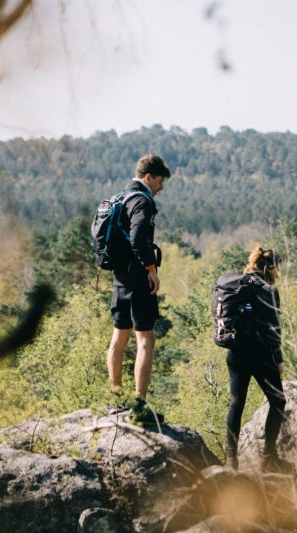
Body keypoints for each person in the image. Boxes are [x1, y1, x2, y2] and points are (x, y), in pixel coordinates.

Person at [105, 154, 170, 425]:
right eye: (160, 181)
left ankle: (115, 400)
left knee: (118, 339)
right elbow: (139, 238)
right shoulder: (142, 201)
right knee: (146, 340)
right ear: (148, 177)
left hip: (119, 278)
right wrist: (151, 270)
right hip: (138, 279)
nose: (161, 187)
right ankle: (139, 404)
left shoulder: (118, 198)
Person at [224, 247, 288, 471]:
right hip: (259, 354)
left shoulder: (237, 284)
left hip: (235, 353)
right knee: (278, 401)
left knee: (236, 403)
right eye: (277, 269)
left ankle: (231, 460)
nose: (278, 273)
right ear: (268, 267)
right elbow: (273, 329)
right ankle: (269, 457)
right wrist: (278, 359)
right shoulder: (269, 290)